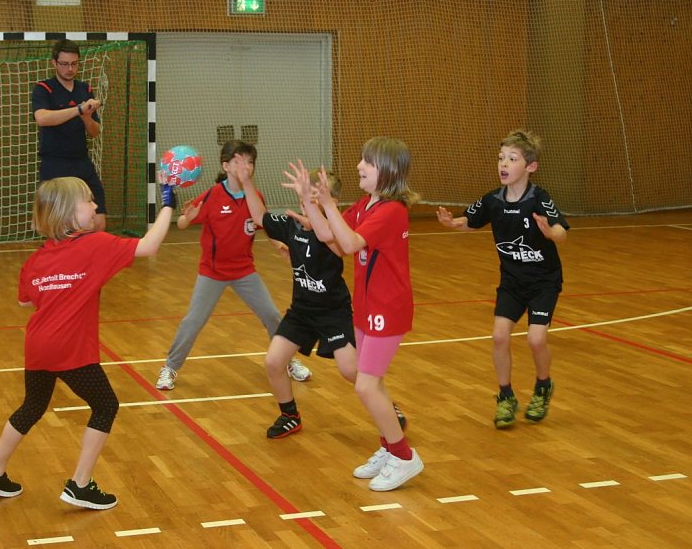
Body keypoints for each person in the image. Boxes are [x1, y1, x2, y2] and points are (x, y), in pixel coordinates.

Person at [0, 175, 176, 510]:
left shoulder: (36, 259)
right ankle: (80, 484)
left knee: (32, 406)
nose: (95, 206)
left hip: (37, 345)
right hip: (69, 349)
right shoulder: (96, 244)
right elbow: (149, 246)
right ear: (69, 213)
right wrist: (168, 202)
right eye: (89, 200)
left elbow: (25, 301)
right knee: (106, 406)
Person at [284, 137, 423, 492]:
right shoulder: (365, 205)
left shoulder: (391, 211)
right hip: (367, 307)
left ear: (387, 171)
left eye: (367, 162)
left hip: (387, 310)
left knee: (366, 385)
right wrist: (309, 200)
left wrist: (328, 203)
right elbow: (329, 237)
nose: (359, 166)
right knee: (373, 383)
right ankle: (389, 447)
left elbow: (348, 244)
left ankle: (405, 456)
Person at [238, 167, 408, 439]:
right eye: (306, 194)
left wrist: (315, 222)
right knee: (273, 362)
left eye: (314, 195)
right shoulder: (291, 224)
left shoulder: (337, 230)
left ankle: (386, 405)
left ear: (332, 201)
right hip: (302, 311)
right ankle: (290, 416)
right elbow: (259, 217)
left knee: (351, 370)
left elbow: (339, 244)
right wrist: (246, 181)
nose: (306, 198)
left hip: (333, 311)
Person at [436, 129, 569, 429]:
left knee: (536, 339)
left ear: (530, 166)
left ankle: (543, 386)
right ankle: (506, 396)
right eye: (500, 158)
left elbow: (561, 231)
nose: (503, 164)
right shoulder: (493, 200)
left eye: (512, 158)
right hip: (512, 282)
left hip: (543, 282)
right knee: (499, 336)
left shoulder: (538, 198)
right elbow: (470, 221)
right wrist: (452, 223)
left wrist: (551, 232)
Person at [154, 140, 312, 390]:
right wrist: (187, 218)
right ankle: (170, 367)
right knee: (193, 321)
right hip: (212, 272)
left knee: (272, 315)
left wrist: (279, 245)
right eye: (239, 161)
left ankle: (288, 361)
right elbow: (183, 223)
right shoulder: (213, 195)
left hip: (244, 271)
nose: (245, 166)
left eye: (249, 162)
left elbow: (265, 225)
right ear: (226, 166)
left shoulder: (255, 196)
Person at [32, 39, 108, 232]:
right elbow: (42, 118)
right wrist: (78, 109)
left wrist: (87, 117)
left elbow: (95, 132)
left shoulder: (85, 89)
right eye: (64, 64)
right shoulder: (44, 88)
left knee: (98, 221)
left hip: (81, 162)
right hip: (55, 164)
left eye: (74, 64)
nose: (70, 69)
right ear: (54, 63)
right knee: (59, 224)